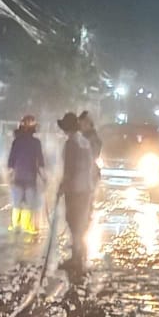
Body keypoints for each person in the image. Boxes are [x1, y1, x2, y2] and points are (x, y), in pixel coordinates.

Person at [58, 112, 94, 269]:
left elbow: (69, 169)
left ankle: (76, 258)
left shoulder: (71, 144)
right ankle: (79, 255)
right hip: (86, 187)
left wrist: (61, 187)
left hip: (74, 189)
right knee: (80, 221)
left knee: (73, 221)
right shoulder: (85, 142)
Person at [7, 114, 45, 235]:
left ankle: (15, 225)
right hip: (30, 178)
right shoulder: (36, 143)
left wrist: (10, 176)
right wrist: (44, 177)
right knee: (29, 204)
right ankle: (27, 226)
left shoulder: (16, 142)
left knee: (17, 203)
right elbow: (40, 162)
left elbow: (11, 161)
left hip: (18, 177)